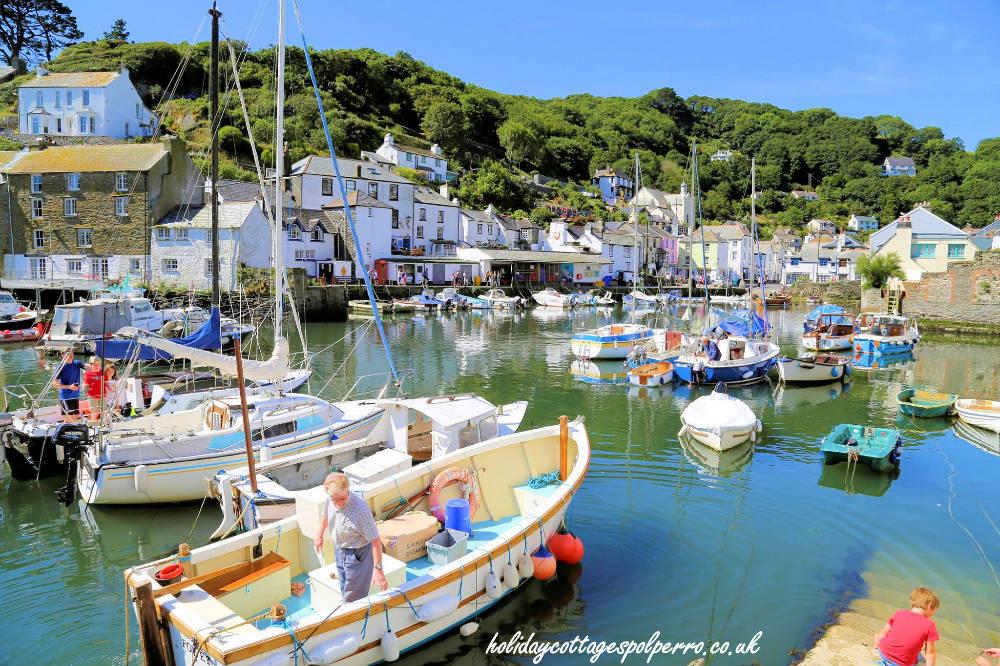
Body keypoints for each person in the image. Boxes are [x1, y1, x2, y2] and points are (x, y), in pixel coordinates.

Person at [314, 472, 387, 602]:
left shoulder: (360, 510)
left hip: (357, 554)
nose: (339, 503)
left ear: (347, 490)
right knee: (344, 587)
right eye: (335, 499)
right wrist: (319, 535)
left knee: (354, 597)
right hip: (340, 549)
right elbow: (326, 516)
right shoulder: (330, 499)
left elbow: (376, 541)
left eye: (342, 499)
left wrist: (378, 570)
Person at [874, 587, 940, 666]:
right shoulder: (930, 625)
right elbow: (930, 653)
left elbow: (882, 633)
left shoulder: (899, 613)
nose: (934, 614)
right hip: (903, 663)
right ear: (930, 606)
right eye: (935, 610)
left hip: (883, 653)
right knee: (920, 658)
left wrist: (877, 645)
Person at [53, 350, 87, 422]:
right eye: (67, 352)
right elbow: (54, 384)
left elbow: (89, 368)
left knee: (75, 417)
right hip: (66, 397)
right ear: (62, 354)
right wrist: (69, 387)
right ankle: (68, 431)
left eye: (71, 351)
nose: (70, 353)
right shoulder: (61, 367)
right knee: (69, 419)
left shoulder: (77, 363)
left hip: (76, 395)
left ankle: (72, 431)